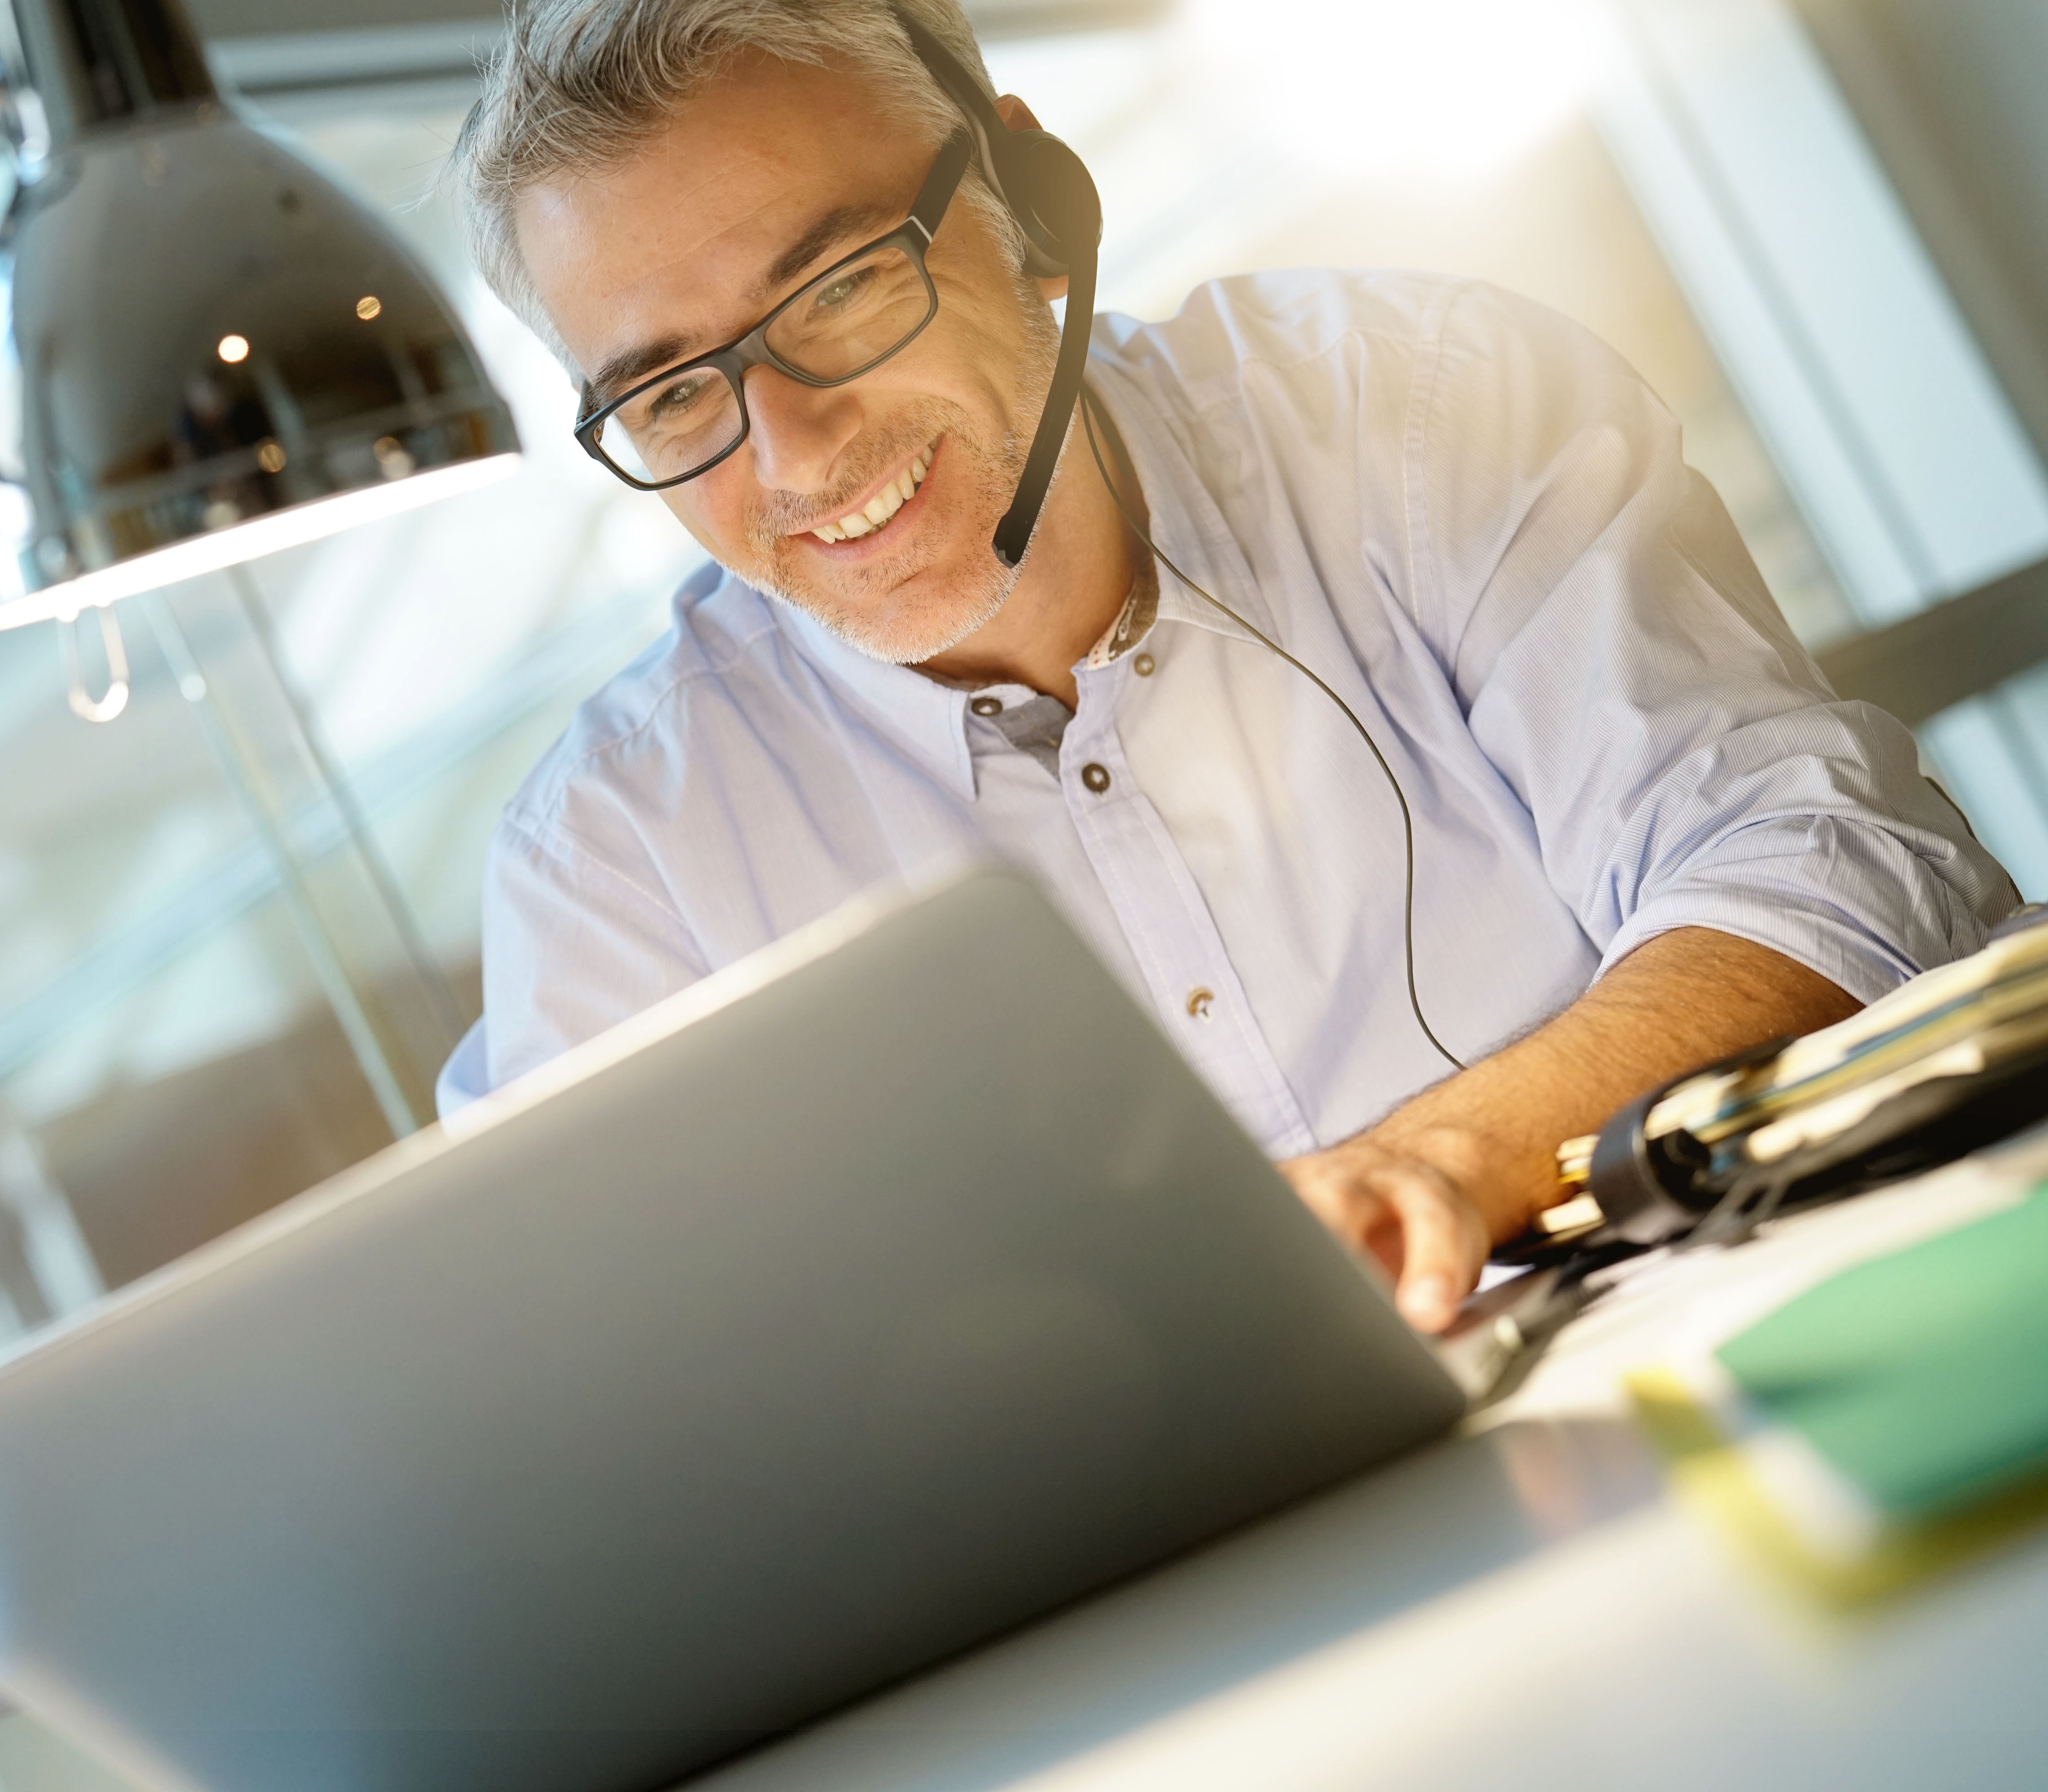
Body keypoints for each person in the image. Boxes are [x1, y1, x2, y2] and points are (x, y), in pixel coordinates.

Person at [433, 0, 2016, 1331]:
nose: (790, 452)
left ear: (1024, 199)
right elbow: (593, 1369)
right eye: (671, 399)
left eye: (840, 289)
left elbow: (1828, 867)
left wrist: (1446, 1166)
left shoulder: (1415, 402)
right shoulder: (616, 864)